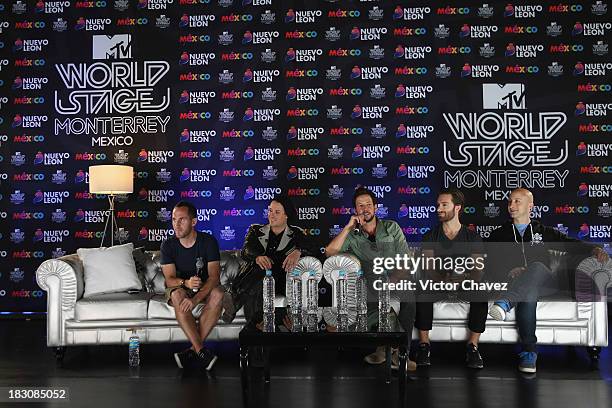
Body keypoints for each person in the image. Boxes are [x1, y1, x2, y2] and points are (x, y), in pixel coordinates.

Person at [486, 188, 608, 373]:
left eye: (517, 201)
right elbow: (489, 264)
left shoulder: (543, 232)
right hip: (515, 284)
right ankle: (529, 352)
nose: (511, 205)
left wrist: (594, 249)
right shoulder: (498, 235)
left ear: (530, 206)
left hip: (546, 283)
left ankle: (505, 303)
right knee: (529, 292)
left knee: (536, 267)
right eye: (510, 201)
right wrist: (509, 272)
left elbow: (571, 244)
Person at [325, 187, 416, 370]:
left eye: (368, 204)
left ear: (375, 207)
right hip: (369, 285)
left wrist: (392, 282)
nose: (365, 208)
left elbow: (405, 260)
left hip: (394, 280)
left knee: (409, 296)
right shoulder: (352, 235)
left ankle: (393, 351)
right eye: (360, 205)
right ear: (355, 210)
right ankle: (392, 350)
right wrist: (348, 227)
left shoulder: (392, 228)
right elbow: (329, 252)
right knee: (377, 306)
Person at [416, 188, 487, 369]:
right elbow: (429, 268)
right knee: (422, 287)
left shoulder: (472, 237)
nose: (439, 208)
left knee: (481, 290)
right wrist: (443, 280)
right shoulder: (430, 235)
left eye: (444, 205)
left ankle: (472, 346)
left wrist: (463, 279)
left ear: (457, 208)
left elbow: (477, 270)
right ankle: (424, 345)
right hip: (437, 284)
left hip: (464, 284)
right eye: (438, 205)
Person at [222, 195, 316, 327]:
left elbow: (314, 249)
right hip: (257, 277)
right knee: (260, 273)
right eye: (270, 210)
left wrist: (298, 251)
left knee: (264, 275)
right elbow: (245, 251)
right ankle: (258, 324)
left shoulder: (296, 233)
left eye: (277, 212)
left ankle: (234, 300)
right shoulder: (255, 230)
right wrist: (257, 257)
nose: (271, 215)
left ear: (286, 215)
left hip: (280, 278)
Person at [160, 201, 224, 371]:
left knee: (218, 293)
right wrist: (185, 282)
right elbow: (169, 280)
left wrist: (196, 299)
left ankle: (192, 351)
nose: (176, 224)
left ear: (193, 222)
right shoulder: (168, 245)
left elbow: (214, 277)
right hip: (181, 287)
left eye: (182, 220)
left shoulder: (208, 241)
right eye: (174, 219)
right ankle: (201, 350)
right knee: (177, 295)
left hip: (204, 288)